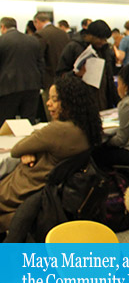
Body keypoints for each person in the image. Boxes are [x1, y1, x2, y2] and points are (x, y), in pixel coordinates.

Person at [0, 75, 101, 232]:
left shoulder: (56, 131)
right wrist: (32, 149)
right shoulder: (86, 129)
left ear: (68, 102)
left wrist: (30, 149)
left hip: (24, 189)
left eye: (54, 100)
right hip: (44, 193)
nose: (48, 103)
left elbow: (16, 149)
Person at [56, 20, 120, 110]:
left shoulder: (104, 49)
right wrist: (75, 74)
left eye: (105, 39)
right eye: (100, 39)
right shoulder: (73, 47)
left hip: (103, 102)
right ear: (90, 35)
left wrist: (117, 102)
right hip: (80, 102)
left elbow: (109, 77)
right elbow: (60, 76)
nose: (102, 42)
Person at [0, 17, 44, 124]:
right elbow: (41, 64)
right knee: (28, 122)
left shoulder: (2, 41)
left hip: (8, 87)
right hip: (32, 86)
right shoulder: (33, 40)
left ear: (2, 27)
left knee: (7, 123)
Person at [33, 12, 70, 93]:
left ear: (37, 21)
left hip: (49, 80)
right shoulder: (63, 33)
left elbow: (38, 57)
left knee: (50, 103)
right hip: (64, 78)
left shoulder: (40, 34)